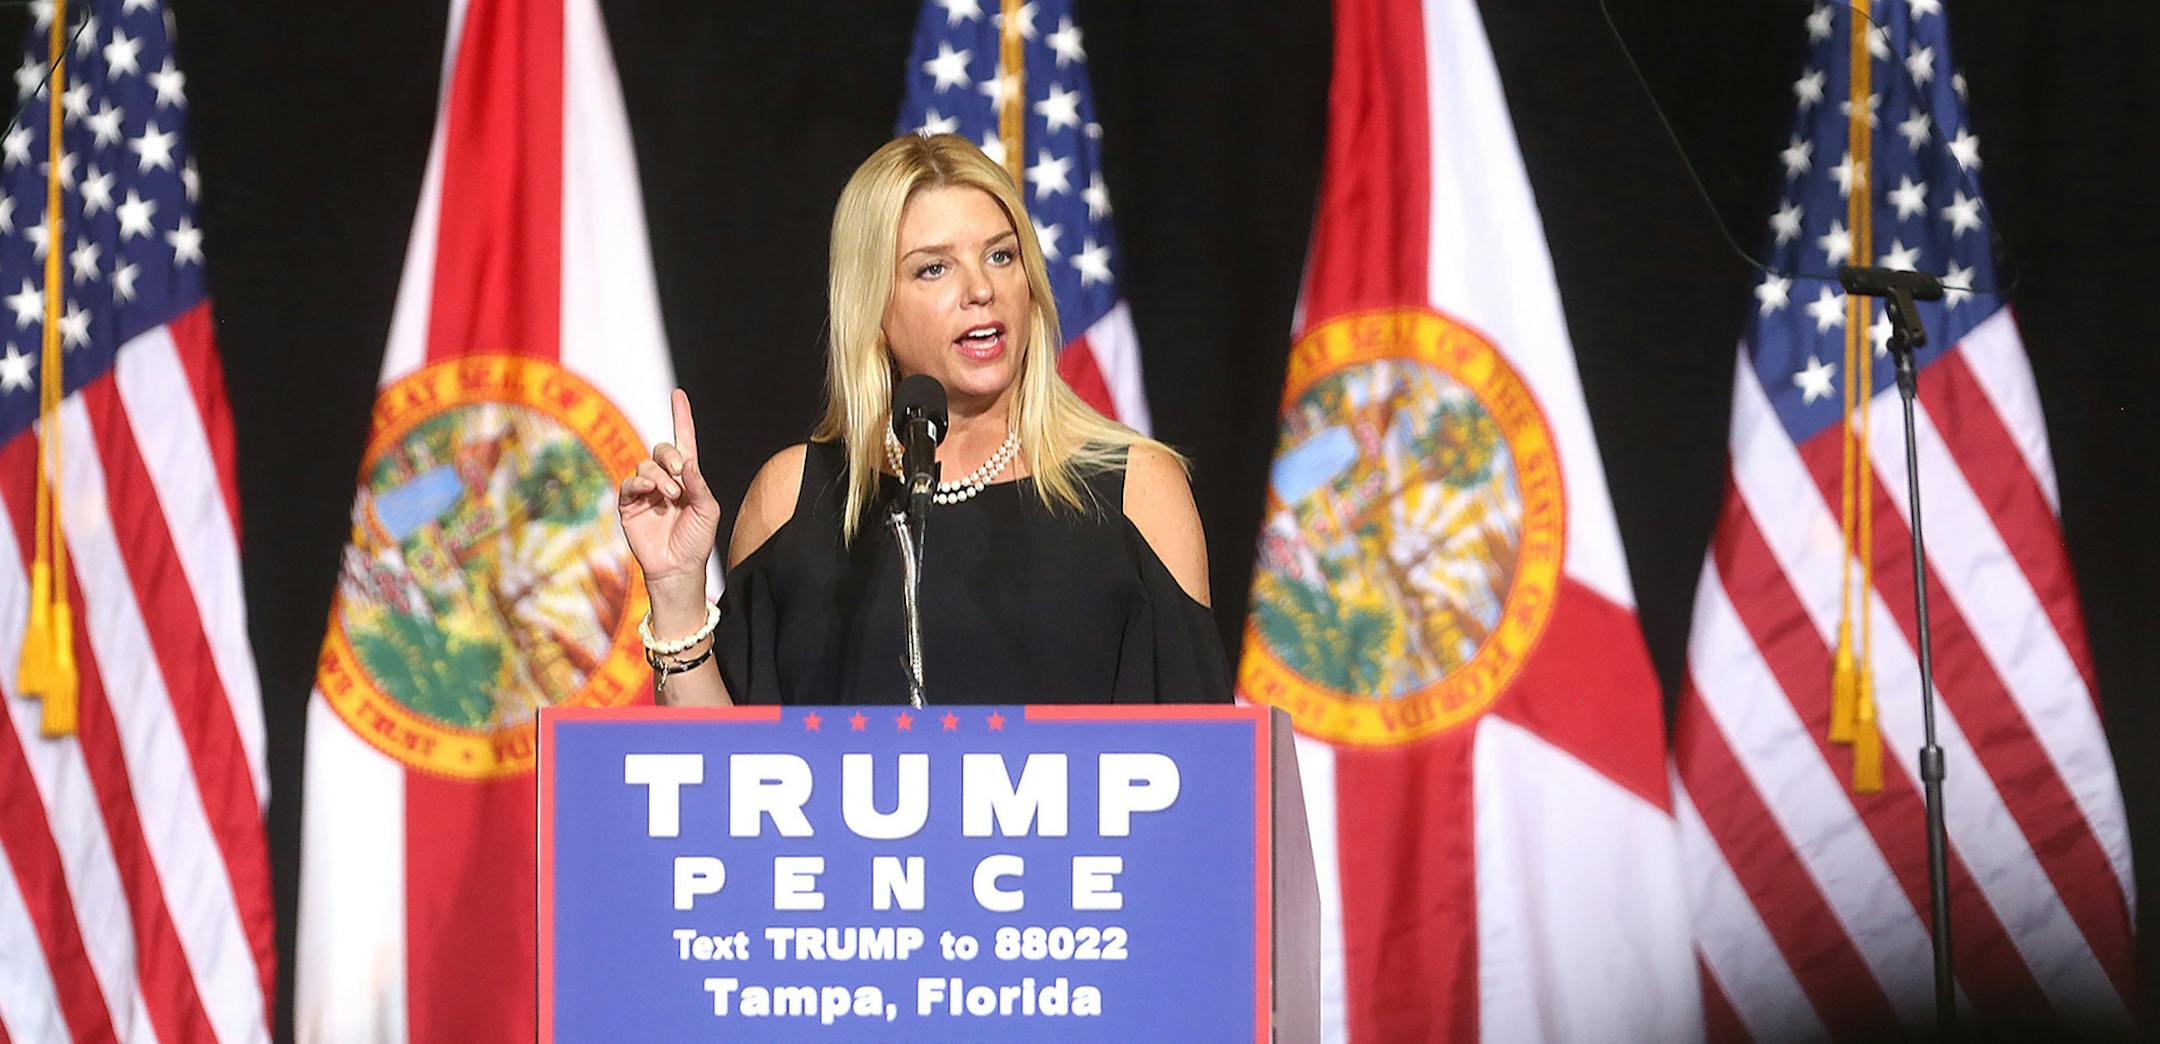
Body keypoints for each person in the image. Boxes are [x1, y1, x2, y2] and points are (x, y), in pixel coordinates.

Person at [616, 133, 1231, 706]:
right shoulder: (791, 500)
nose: (981, 289)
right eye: (933, 268)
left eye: (1001, 255)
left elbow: (1209, 768)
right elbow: (723, 772)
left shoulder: (1136, 490)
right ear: (874, 306)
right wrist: (675, 591)